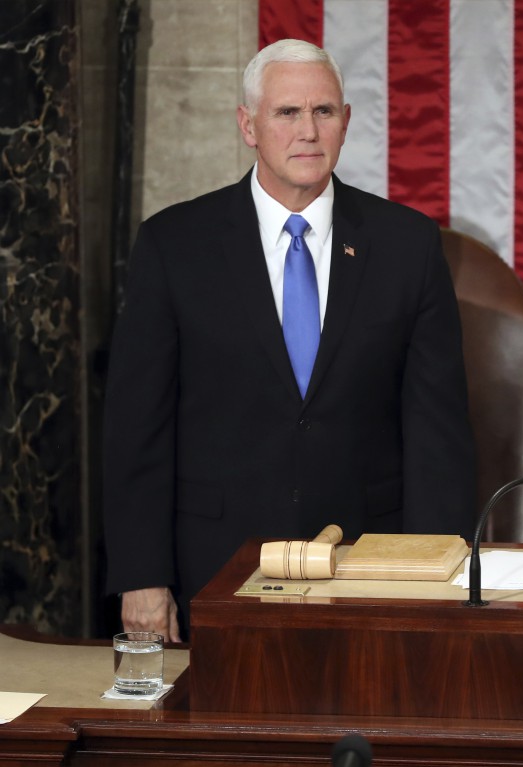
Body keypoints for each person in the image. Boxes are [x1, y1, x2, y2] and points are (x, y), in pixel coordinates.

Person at [103, 39, 476, 641]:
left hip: (368, 567)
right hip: (214, 569)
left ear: (345, 122)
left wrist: (432, 576)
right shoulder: (174, 245)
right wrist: (142, 576)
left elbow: (439, 434)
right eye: (287, 113)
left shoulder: (407, 245)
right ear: (248, 125)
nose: (308, 131)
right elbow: (136, 429)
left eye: (323, 111)